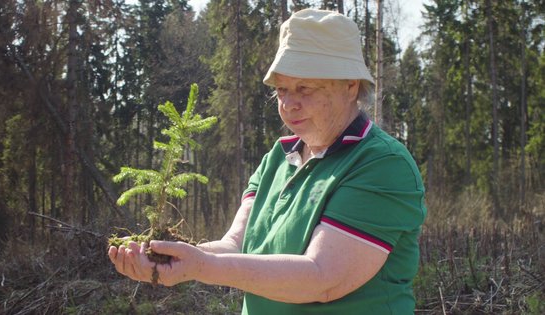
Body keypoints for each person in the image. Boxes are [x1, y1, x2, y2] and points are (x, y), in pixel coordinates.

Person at [108, 8, 426, 314]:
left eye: (304, 88)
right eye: (282, 89)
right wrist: (171, 259)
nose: (289, 104)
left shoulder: (381, 164)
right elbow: (235, 245)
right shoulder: (278, 158)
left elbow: (323, 276)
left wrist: (203, 266)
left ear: (350, 86)